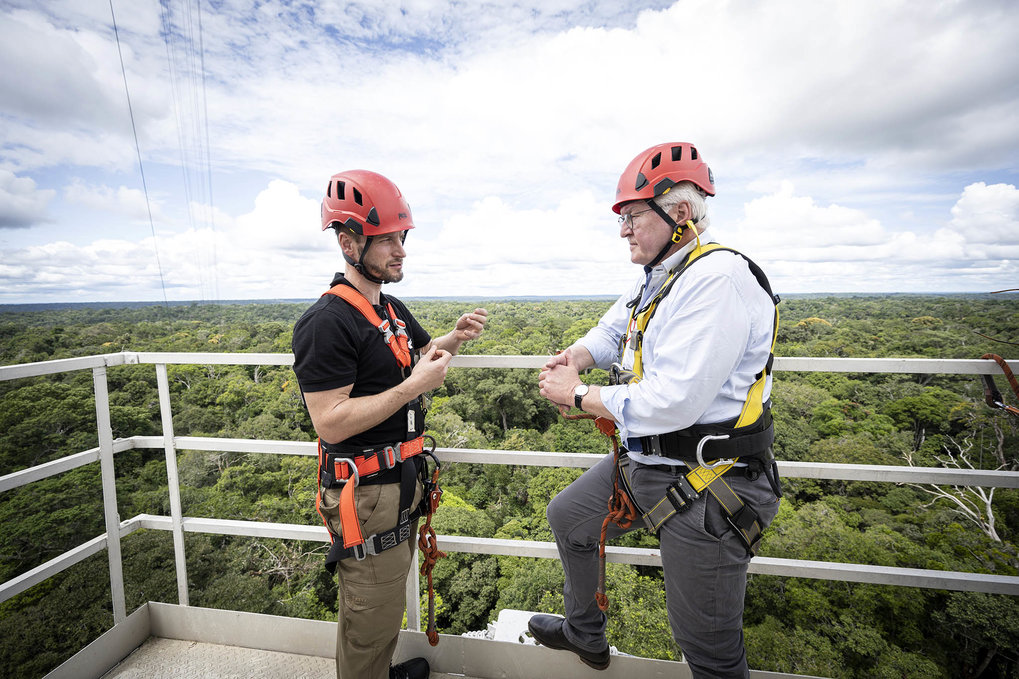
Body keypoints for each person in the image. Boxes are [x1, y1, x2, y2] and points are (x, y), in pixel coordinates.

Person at [531, 142, 782, 678]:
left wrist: (577, 395)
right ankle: (585, 633)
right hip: (649, 464)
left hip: (712, 481)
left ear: (681, 214)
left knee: (705, 645)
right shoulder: (664, 273)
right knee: (571, 519)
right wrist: (575, 356)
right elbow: (612, 328)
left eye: (635, 215)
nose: (623, 229)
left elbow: (671, 401)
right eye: (623, 217)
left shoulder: (716, 279)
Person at [292, 169, 488, 679]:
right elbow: (330, 423)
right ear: (349, 242)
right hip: (365, 491)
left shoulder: (390, 309)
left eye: (402, 238)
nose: (401, 250)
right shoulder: (326, 323)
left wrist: (456, 338)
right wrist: (411, 389)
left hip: (397, 483)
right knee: (370, 610)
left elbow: (425, 356)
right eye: (389, 241)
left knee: (380, 606)